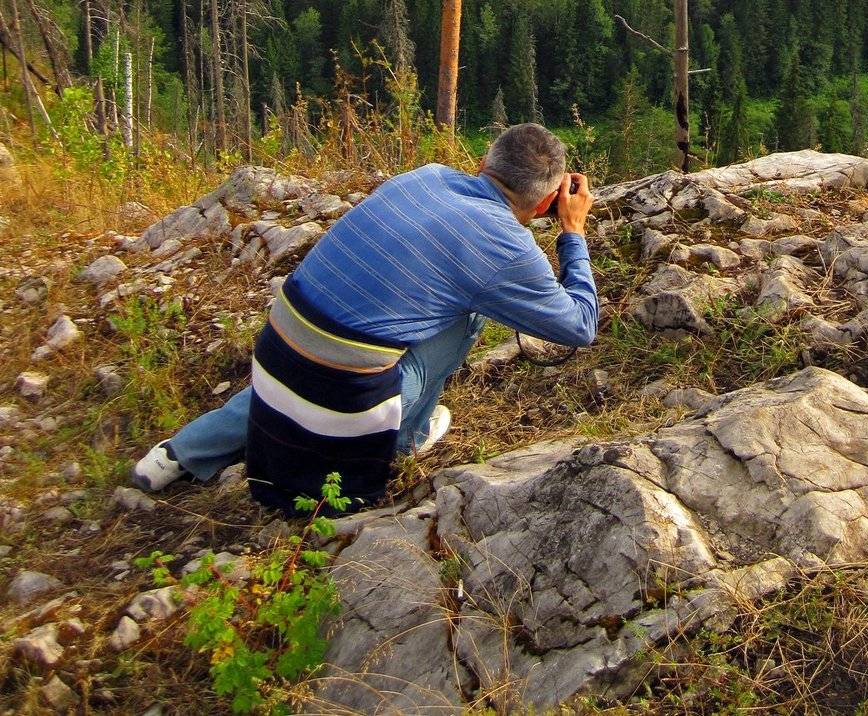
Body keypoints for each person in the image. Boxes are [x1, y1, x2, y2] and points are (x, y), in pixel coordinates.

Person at [131, 123, 597, 513]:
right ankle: (406, 435)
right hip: (341, 404)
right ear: (545, 203)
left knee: (321, 348)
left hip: (274, 356)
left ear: (482, 162)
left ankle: (181, 452)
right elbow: (579, 326)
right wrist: (573, 231)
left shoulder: (426, 177)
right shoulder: (505, 246)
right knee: (469, 313)